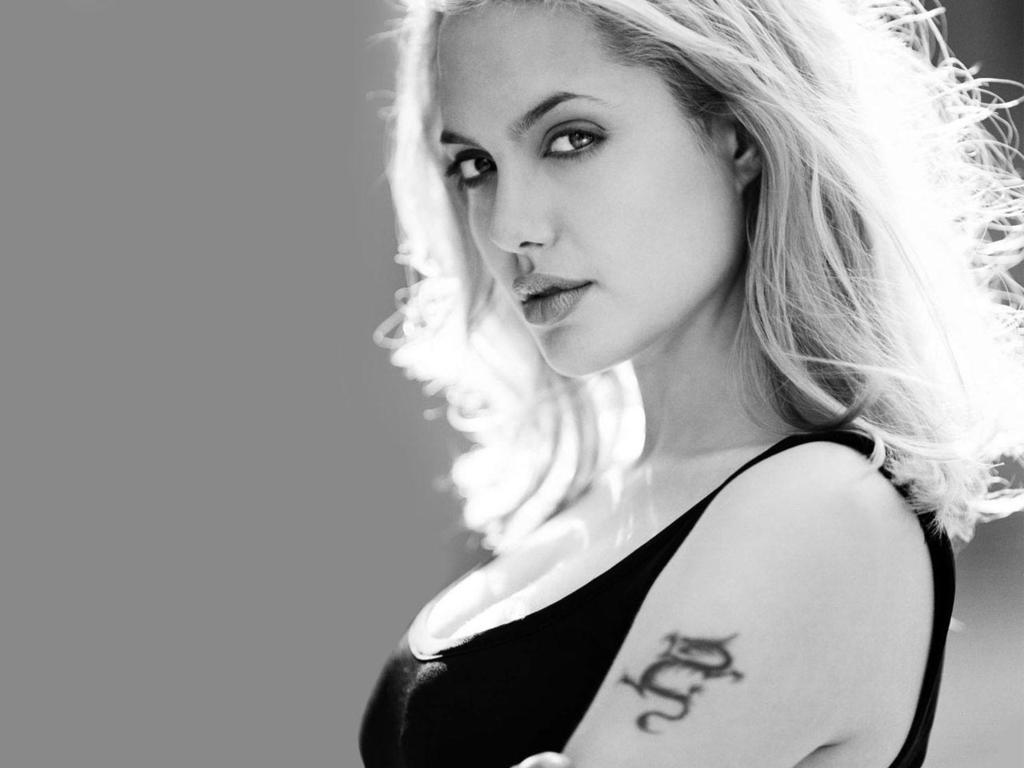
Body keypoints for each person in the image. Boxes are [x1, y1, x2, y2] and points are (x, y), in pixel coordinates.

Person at [359, 0, 1024, 766]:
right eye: (475, 166)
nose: (510, 227)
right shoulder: (585, 503)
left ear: (739, 136)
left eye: (571, 139)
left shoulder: (818, 513)